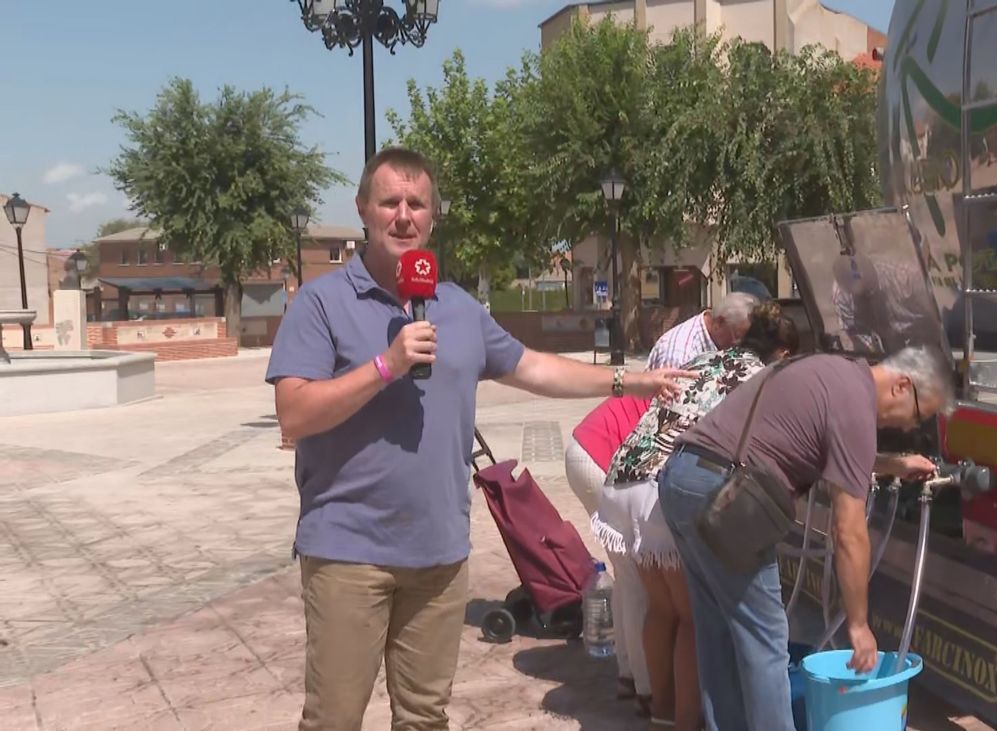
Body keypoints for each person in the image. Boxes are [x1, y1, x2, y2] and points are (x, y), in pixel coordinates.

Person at [266, 146, 691, 731]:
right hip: (348, 551)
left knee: (424, 718)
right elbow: (293, 414)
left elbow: (535, 367)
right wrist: (386, 365)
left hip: (439, 554)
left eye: (417, 204)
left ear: (432, 216)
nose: (403, 216)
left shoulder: (458, 307)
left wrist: (629, 379)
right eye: (389, 202)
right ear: (364, 209)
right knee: (334, 719)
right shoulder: (322, 303)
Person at [656, 346, 954, 731]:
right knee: (766, 640)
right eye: (918, 416)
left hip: (684, 478)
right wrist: (859, 625)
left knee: (719, 632)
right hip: (726, 500)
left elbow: (822, 441)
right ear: (901, 385)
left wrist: (892, 464)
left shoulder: (835, 371)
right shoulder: (855, 407)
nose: (911, 428)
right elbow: (848, 532)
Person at [593, 302, 799, 730]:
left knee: (662, 608)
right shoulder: (763, 378)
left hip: (624, 476)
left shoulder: (707, 358)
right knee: (692, 619)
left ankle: (662, 712)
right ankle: (688, 723)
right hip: (664, 486)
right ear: (781, 353)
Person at [563, 394, 654, 712]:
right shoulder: (689, 392)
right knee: (638, 581)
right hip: (598, 456)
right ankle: (646, 689)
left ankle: (628, 675)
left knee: (625, 575)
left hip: (585, 449)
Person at [646, 292, 759, 370]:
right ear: (719, 322)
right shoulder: (681, 354)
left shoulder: (717, 342)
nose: (739, 344)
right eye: (737, 336)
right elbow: (669, 402)